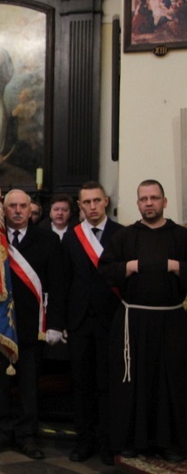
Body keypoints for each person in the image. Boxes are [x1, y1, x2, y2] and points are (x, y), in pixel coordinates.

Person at [99, 179, 187, 463]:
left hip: (171, 321)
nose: (149, 203)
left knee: (171, 381)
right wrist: (128, 266)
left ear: (164, 201)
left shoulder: (181, 236)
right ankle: (130, 441)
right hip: (132, 323)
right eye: (143, 199)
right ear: (137, 203)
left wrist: (177, 267)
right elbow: (106, 270)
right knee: (132, 383)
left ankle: (170, 442)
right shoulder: (125, 237)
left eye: (154, 198)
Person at [0, 189, 65, 460]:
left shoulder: (47, 239)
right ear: (3, 209)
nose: (18, 211)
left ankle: (27, 436)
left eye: (23, 206)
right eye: (12, 206)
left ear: (30, 209)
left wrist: (55, 323)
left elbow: (57, 284)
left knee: (29, 386)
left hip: (33, 327)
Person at [61, 181, 123, 465]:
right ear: (80, 205)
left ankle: (109, 443)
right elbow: (62, 282)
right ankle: (83, 441)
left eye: (97, 201)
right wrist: (59, 322)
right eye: (86, 203)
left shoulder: (121, 234)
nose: (92, 207)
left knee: (108, 384)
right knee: (81, 384)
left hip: (110, 321)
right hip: (78, 322)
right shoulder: (72, 237)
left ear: (106, 201)